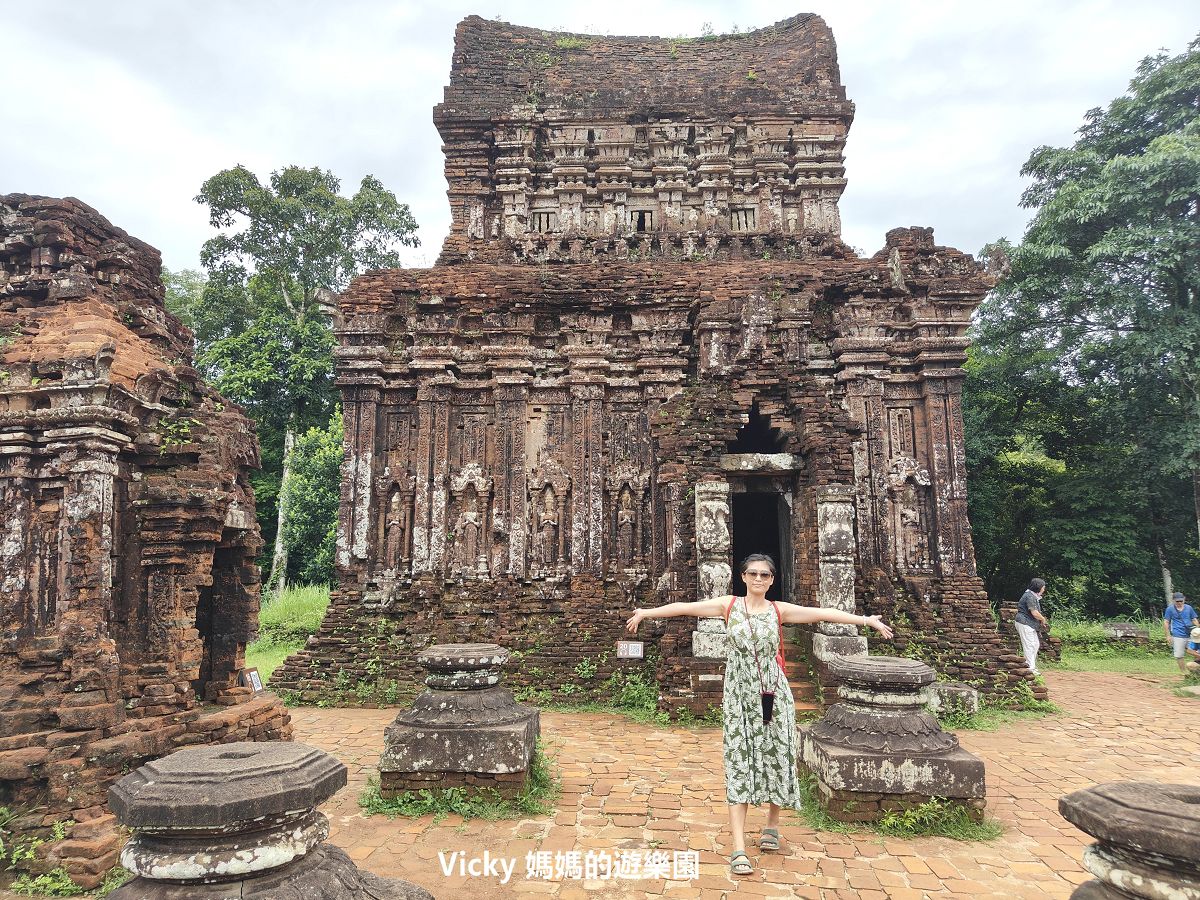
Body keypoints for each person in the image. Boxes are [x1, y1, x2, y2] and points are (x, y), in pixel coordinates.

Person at [624, 553, 893, 877]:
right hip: (739, 696)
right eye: (752, 573)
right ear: (743, 576)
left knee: (776, 754)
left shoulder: (779, 610)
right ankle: (738, 846)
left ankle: (772, 823)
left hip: (774, 695)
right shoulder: (728, 606)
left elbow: (820, 613)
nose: (758, 579)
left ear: (771, 580)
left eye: (764, 575)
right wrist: (647, 612)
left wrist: (867, 621)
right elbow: (684, 608)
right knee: (739, 760)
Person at [1014, 578, 1048, 676]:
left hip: (1029, 624)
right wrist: (1042, 619)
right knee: (1029, 645)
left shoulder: (1032, 596)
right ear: (1039, 588)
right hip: (1024, 623)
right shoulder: (1029, 596)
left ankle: (1031, 666)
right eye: (1043, 587)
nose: (1044, 589)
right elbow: (1034, 613)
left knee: (1035, 644)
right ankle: (1030, 668)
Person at [1163, 592, 1199, 674]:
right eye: (1177, 601)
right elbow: (1166, 622)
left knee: (1195, 651)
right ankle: (1185, 673)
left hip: (1191, 633)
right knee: (1179, 655)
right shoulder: (1170, 609)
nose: (1179, 603)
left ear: (1184, 599)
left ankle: (1196, 671)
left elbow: (1194, 619)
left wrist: (1198, 630)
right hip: (1177, 634)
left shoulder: (1189, 608)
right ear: (1173, 601)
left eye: (1181, 601)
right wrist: (1168, 635)